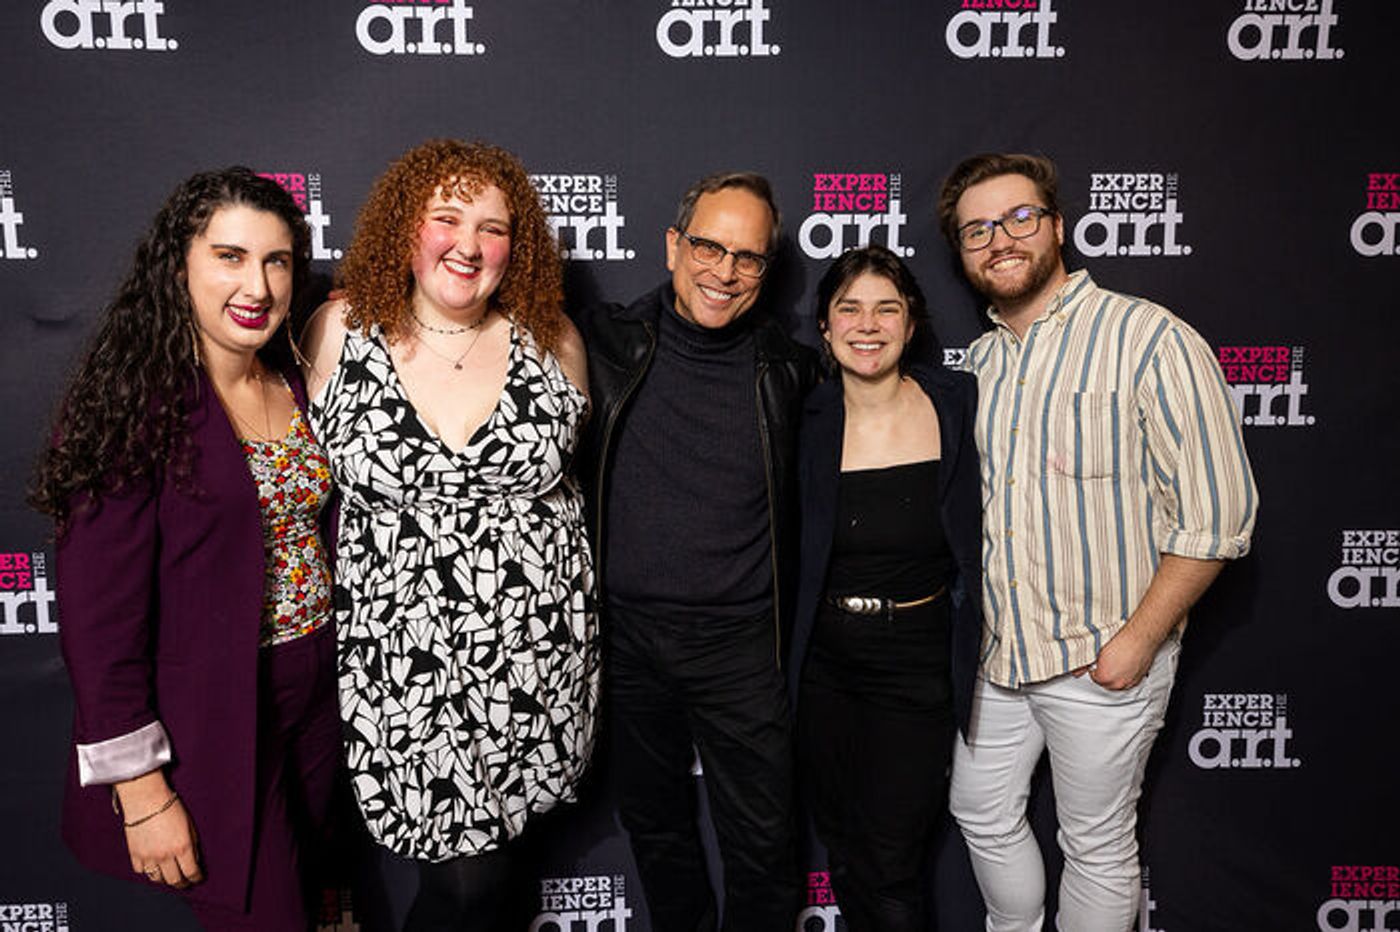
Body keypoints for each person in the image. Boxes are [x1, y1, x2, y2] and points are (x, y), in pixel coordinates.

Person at [937, 152, 1258, 931]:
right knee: (978, 810)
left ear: (1056, 225)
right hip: (996, 660)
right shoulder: (975, 366)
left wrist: (1137, 643)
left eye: (1018, 218)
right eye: (977, 230)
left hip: (1101, 658)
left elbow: (1221, 514)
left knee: (1096, 845)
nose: (999, 240)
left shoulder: (1148, 336)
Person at [299, 139, 596, 931]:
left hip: (534, 668)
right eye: (446, 218)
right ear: (406, 229)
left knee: (499, 883)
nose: (468, 245)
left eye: (493, 228)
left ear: (517, 245)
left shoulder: (553, 336)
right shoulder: (338, 330)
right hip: (406, 669)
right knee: (466, 886)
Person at [30, 167, 337, 931]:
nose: (257, 284)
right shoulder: (136, 402)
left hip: (320, 698)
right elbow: (100, 626)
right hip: (213, 718)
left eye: (276, 261)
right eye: (229, 256)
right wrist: (139, 792)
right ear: (179, 268)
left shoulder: (296, 382)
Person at [575, 171, 819, 931]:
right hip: (628, 640)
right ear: (674, 246)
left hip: (741, 643)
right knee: (656, 830)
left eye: (748, 258)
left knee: (765, 845)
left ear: (766, 271)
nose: (725, 271)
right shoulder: (603, 341)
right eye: (709, 246)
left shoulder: (790, 369)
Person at [787, 245, 981, 932]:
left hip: (917, 665)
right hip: (824, 669)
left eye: (886, 308)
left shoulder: (960, 404)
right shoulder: (801, 421)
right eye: (850, 308)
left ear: (912, 321)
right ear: (824, 325)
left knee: (894, 863)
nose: (867, 325)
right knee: (845, 850)